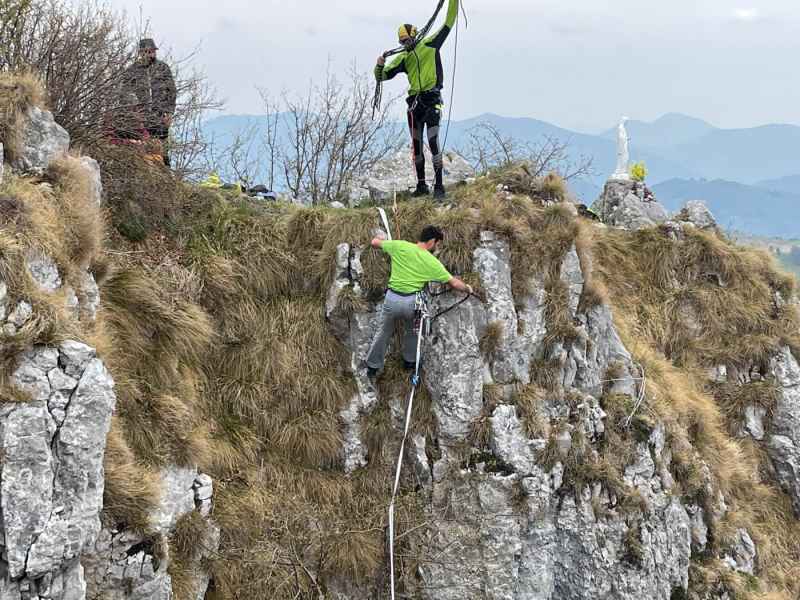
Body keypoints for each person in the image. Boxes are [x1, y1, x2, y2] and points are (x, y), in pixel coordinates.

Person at [374, 0, 460, 200]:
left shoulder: (430, 44)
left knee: (433, 141)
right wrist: (379, 65)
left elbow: (449, 21)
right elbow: (382, 76)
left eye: (407, 40)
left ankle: (439, 186)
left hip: (432, 100)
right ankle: (421, 186)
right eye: (402, 42)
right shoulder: (403, 58)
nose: (406, 44)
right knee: (417, 146)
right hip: (414, 105)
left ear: (415, 35)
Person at [365, 225, 473, 379]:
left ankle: (372, 366)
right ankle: (409, 362)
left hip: (392, 299)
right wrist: (468, 288)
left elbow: (374, 242)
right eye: (437, 244)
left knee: (383, 332)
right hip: (412, 302)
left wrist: (383, 239)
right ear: (432, 241)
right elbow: (454, 283)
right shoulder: (432, 262)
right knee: (414, 331)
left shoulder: (400, 246)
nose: (437, 247)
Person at [122, 38, 177, 167]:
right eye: (147, 51)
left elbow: (172, 92)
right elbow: (124, 93)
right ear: (141, 53)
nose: (151, 54)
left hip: (160, 116)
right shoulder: (132, 70)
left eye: (152, 51)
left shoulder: (163, 68)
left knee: (163, 150)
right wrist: (134, 112)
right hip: (141, 118)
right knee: (144, 152)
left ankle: (166, 174)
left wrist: (169, 113)